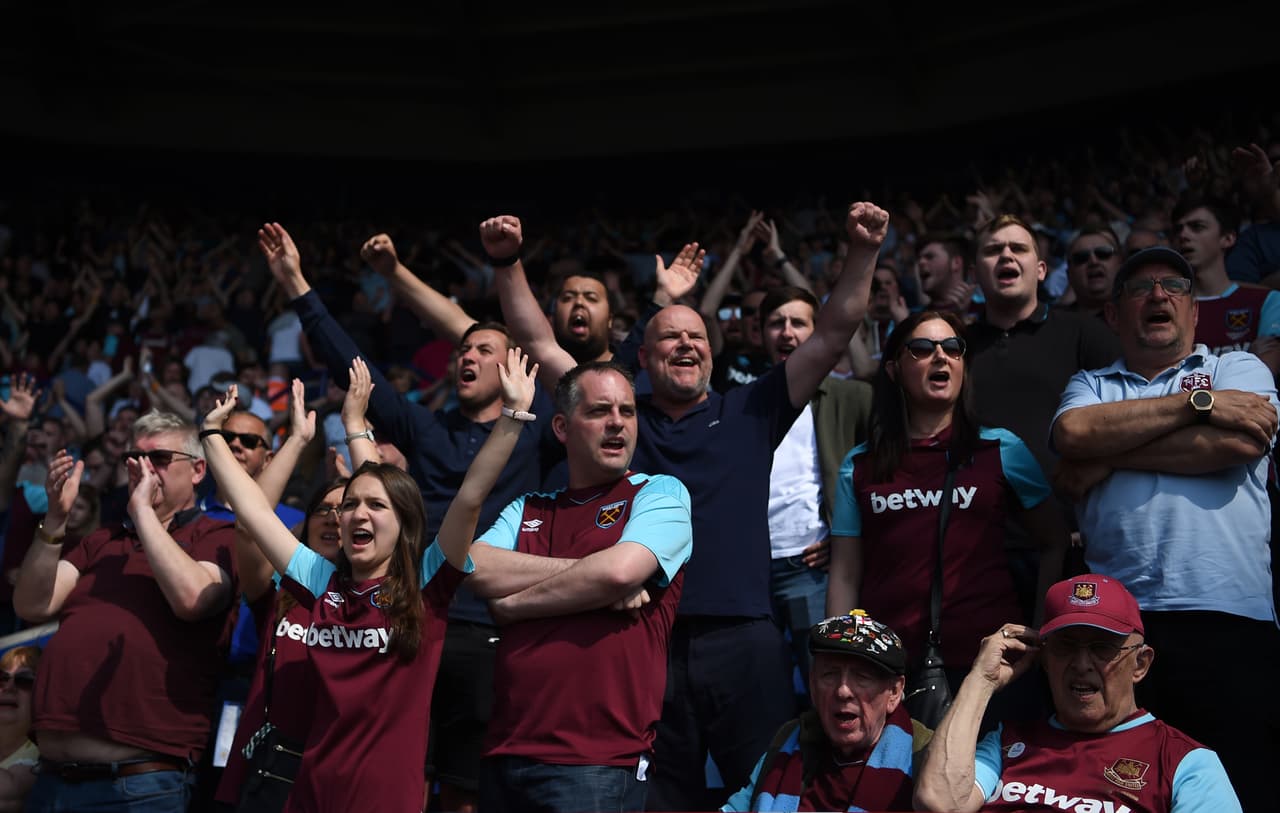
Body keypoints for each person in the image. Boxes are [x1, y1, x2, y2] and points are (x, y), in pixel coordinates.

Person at [483, 203, 890, 811]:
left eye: (696, 336)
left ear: (712, 352)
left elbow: (833, 330)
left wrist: (862, 252)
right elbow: (539, 341)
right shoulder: (620, 419)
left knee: (768, 791)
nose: (685, 344)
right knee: (661, 798)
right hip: (642, 639)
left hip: (743, 636)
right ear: (642, 358)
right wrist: (508, 261)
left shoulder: (752, 409)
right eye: (669, 335)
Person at [260, 222, 554, 811]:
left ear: (514, 369)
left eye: (483, 350)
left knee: (465, 792)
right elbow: (355, 368)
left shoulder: (541, 431)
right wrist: (296, 284)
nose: (467, 356)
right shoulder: (425, 427)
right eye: (462, 350)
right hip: (408, 621)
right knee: (401, 771)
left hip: (487, 628)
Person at [199, 345, 536, 812]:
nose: (357, 513)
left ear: (404, 524)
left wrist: (513, 416)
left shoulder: (427, 581)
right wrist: (211, 434)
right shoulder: (322, 582)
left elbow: (471, 496)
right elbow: (254, 513)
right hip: (309, 795)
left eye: (376, 506)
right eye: (350, 504)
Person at [1050, 246, 1280, 811]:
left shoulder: (1237, 368)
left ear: (1194, 310)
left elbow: (1239, 442)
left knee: (1249, 787)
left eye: (1174, 285)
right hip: (1118, 628)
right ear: (1113, 315)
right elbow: (1075, 435)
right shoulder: (1091, 383)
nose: (1159, 296)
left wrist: (1112, 453)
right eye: (1141, 288)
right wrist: (1198, 407)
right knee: (1123, 792)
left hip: (1232, 616)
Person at [468, 361, 692, 812]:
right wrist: (588, 577)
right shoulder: (527, 506)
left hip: (599, 764)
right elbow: (474, 567)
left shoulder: (660, 493)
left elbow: (618, 574)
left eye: (627, 412)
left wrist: (513, 606)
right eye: (599, 411)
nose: (617, 423)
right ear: (561, 427)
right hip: (506, 753)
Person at [827, 310, 1067, 698]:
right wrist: (840, 660)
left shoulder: (1001, 447)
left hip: (990, 668)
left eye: (953, 348)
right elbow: (844, 575)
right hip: (889, 668)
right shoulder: (859, 465)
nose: (941, 356)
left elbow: (1055, 540)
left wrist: (1041, 631)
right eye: (922, 348)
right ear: (892, 369)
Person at [14, 411, 238, 811]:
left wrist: (144, 514)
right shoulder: (102, 540)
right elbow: (32, 603)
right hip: (53, 782)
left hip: (140, 784)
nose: (144, 469)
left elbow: (193, 599)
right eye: (134, 459)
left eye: (160, 459)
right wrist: (55, 521)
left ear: (198, 470)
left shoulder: (215, 535)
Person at [913, 574, 1242, 812]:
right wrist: (981, 680)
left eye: (1102, 648)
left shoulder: (1184, 762)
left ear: (1140, 664)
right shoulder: (1005, 742)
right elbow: (939, 803)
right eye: (1066, 647)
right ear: (1043, 659)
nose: (1082, 664)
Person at [965, 214, 1120, 619]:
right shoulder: (953, 347)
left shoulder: (1085, 334)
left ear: (1041, 269)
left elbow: (1123, 424)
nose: (1006, 256)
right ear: (973, 271)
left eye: (1018, 248)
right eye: (993, 249)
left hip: (1075, 543)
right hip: (978, 550)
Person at [758, 286, 873, 689]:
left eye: (798, 323)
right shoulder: (744, 402)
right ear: (761, 336)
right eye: (776, 323)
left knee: (823, 687)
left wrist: (847, 541)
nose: (786, 332)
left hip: (813, 570)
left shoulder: (852, 397)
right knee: (762, 695)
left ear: (817, 333)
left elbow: (888, 476)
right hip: (751, 570)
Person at [721, 611, 930, 812]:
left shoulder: (923, 755)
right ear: (812, 684)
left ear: (894, 692)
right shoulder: (791, 740)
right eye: (830, 674)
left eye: (862, 677)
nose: (843, 691)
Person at [1171, 195, 1280, 374]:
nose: (1183, 235)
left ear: (1228, 238)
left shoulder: (1267, 302)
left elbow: (1261, 376)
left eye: (1197, 227)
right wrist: (1246, 359)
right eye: (1178, 229)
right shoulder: (1165, 306)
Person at [0, 646, 40, 811]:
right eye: (1, 678)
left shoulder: (43, 751)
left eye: (25, 680)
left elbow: (7, 794)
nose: (8, 687)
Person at [1060, 227, 1124, 318]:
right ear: (1069, 274)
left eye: (1104, 253)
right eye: (1081, 257)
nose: (1093, 261)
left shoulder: (1140, 315)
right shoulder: (1053, 323)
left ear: (1121, 263)